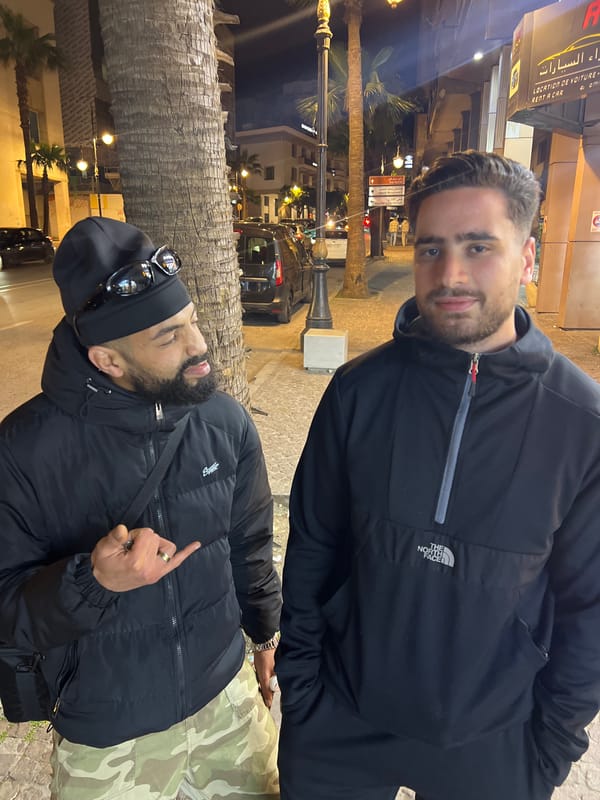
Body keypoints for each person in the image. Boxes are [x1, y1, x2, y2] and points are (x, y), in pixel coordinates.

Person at [275, 151, 600, 800]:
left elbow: (589, 608)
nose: (449, 273)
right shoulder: (358, 392)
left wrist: (551, 745)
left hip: (494, 741)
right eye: (431, 249)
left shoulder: (581, 421)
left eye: (479, 246)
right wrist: (303, 692)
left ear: (528, 259)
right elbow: (313, 550)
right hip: (340, 721)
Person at [0, 217, 282, 800]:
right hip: (107, 736)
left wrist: (266, 635)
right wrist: (95, 580)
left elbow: (250, 545)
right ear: (107, 360)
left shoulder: (224, 422)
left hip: (225, 704)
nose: (198, 347)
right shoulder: (22, 451)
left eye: (192, 323)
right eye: (168, 337)